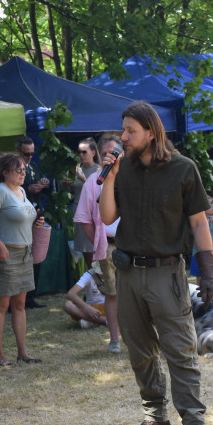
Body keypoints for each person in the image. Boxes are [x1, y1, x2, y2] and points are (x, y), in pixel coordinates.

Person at [99, 101, 213, 425]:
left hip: (167, 273)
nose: (123, 137)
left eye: (130, 131)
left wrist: (209, 268)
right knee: (140, 352)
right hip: (128, 274)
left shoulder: (184, 169)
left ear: (151, 132)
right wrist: (110, 174)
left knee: (180, 351)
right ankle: (156, 418)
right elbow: (108, 217)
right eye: (123, 130)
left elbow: (199, 222)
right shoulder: (124, 170)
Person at [0, 152, 45, 366]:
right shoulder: (0, 192)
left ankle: (23, 352)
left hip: (25, 252)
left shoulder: (22, 191)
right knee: (2, 304)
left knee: (20, 303)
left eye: (24, 169)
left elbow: (21, 219)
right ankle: (0, 356)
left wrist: (36, 224)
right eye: (19, 170)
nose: (23, 173)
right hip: (6, 254)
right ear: (5, 172)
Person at [74, 133, 123, 353]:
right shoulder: (95, 181)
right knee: (111, 294)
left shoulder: (133, 175)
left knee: (139, 292)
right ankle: (115, 339)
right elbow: (83, 218)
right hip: (109, 246)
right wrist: (100, 241)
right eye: (105, 153)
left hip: (136, 245)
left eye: (114, 152)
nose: (109, 157)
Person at [16, 136, 49, 309]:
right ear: (17, 152)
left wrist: (45, 183)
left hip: (36, 214)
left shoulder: (35, 167)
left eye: (31, 154)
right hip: (19, 218)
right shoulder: (11, 170)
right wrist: (28, 189)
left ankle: (30, 297)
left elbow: (47, 185)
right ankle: (19, 298)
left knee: (36, 255)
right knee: (21, 257)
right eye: (26, 154)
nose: (29, 157)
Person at [71, 138, 101, 265]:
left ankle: (98, 283)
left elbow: (99, 194)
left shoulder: (98, 170)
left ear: (93, 152)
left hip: (92, 217)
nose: (81, 155)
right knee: (87, 257)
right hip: (79, 215)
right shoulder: (78, 168)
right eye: (79, 152)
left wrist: (84, 179)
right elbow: (78, 193)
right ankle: (95, 283)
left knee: (94, 258)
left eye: (84, 152)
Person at [63, 261, 108, 329]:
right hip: (92, 311)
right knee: (68, 305)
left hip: (111, 308)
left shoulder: (117, 273)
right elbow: (70, 294)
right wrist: (88, 308)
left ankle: (94, 322)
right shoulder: (89, 274)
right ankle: (105, 321)